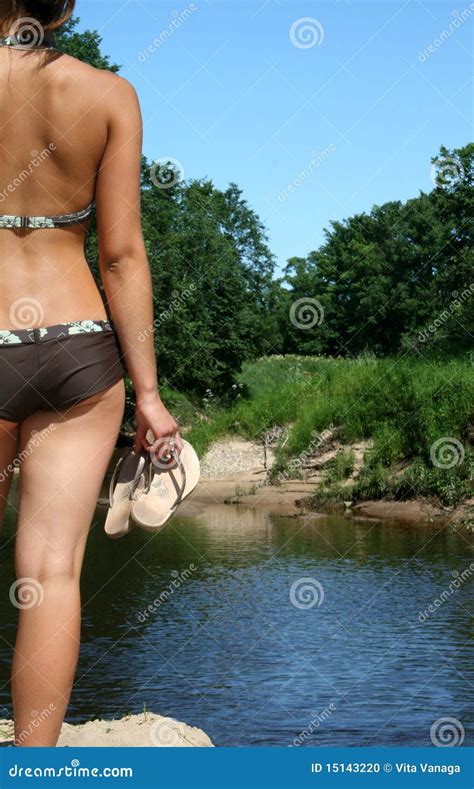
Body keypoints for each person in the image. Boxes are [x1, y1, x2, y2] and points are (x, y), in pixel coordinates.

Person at [0, 0, 181, 746]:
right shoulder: (110, 95)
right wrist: (149, 394)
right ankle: (35, 768)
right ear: (64, 5)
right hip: (78, 349)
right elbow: (122, 255)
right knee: (50, 571)